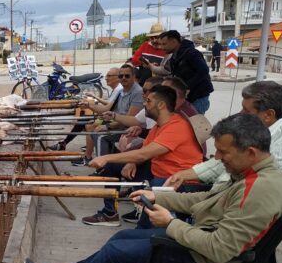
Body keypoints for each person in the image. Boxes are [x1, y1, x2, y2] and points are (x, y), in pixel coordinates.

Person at [24, 113, 282, 263]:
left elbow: (220, 249)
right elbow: (206, 199)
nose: (217, 157)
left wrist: (170, 223)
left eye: (223, 152)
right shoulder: (253, 174)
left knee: (117, 252)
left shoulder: (260, 189)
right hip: (203, 247)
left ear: (250, 152)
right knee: (121, 238)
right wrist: (159, 195)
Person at [82, 86, 203, 226]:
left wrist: (105, 157)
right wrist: (131, 162)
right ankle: (110, 214)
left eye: (148, 101)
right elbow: (145, 150)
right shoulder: (161, 124)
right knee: (113, 167)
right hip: (157, 172)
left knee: (144, 223)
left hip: (175, 183)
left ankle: (147, 227)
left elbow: (144, 154)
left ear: (161, 105)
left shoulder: (177, 126)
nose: (144, 104)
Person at [166, 81, 282, 190]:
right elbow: (220, 161)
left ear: (269, 115)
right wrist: (182, 175)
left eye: (246, 110)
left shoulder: (280, 143)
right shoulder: (259, 132)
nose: (240, 113)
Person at [72, 65, 143, 166]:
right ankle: (91, 160)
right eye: (121, 76)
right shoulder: (122, 91)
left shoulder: (137, 92)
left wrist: (107, 126)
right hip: (118, 123)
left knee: (99, 135)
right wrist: (89, 105)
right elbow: (106, 109)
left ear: (133, 77)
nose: (123, 78)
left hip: (131, 129)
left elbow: (129, 120)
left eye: (127, 76)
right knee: (91, 126)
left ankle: (102, 167)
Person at [50, 67, 124, 152]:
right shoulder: (117, 89)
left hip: (111, 119)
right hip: (109, 116)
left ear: (118, 77)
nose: (106, 78)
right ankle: (65, 143)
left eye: (109, 76)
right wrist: (95, 98)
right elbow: (109, 104)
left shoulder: (119, 89)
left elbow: (106, 108)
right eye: (107, 76)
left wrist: (89, 105)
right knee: (84, 119)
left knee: (88, 124)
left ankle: (87, 154)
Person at [158, 30, 213, 114]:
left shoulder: (192, 53)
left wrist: (186, 87)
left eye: (164, 44)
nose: (161, 47)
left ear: (174, 42)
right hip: (187, 98)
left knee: (195, 124)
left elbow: (204, 70)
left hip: (198, 97)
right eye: (161, 44)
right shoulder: (175, 56)